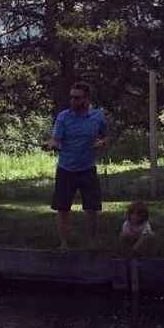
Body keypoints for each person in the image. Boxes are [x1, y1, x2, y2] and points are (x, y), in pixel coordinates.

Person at [47, 81, 108, 250]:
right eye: (71, 97)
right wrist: (52, 143)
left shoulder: (98, 116)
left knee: (92, 208)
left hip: (88, 168)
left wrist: (101, 142)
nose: (73, 101)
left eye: (77, 98)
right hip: (66, 169)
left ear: (87, 99)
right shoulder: (63, 117)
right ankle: (64, 244)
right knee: (62, 208)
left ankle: (92, 242)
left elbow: (104, 136)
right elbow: (56, 139)